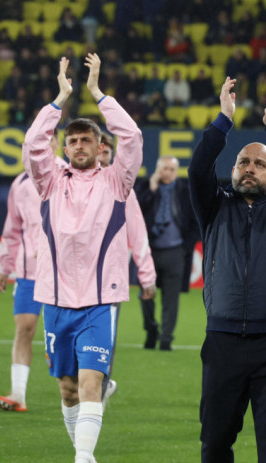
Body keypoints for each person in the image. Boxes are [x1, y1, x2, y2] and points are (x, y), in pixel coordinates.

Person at [22, 53, 142, 463]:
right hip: (54, 300)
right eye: (71, 141)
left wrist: (98, 95)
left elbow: (134, 137)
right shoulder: (49, 181)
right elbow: (33, 144)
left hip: (98, 301)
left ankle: (82, 458)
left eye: (85, 140)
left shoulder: (117, 181)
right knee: (68, 389)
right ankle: (82, 452)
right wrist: (59, 101)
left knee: (92, 382)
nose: (77, 146)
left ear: (100, 146)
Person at [189, 78, 266, 462]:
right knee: (215, 445)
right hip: (222, 342)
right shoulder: (214, 207)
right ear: (234, 170)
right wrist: (224, 119)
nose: (249, 169)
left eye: (260, 164)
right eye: (243, 162)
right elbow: (197, 170)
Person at [0, 131, 61, 413]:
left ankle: (81, 391)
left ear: (56, 144)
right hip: (28, 272)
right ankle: (18, 394)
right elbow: (12, 230)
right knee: (24, 329)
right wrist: (4, 267)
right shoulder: (20, 183)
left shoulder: (68, 175)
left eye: (48, 142)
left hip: (64, 273)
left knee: (63, 336)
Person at [96, 132, 157, 397]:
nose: (101, 157)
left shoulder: (120, 187)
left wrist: (147, 276)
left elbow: (138, 233)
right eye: (97, 150)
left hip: (108, 279)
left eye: (106, 153)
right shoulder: (68, 183)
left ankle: (98, 389)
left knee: (102, 343)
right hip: (70, 282)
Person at [135, 155, 198, 351]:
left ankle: (166, 338)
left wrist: (185, 248)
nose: (167, 173)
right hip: (150, 252)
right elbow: (136, 213)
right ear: (157, 169)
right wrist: (152, 189)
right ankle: (151, 328)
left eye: (171, 169)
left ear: (176, 171)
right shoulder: (146, 188)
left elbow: (196, 223)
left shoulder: (185, 192)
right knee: (146, 295)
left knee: (171, 299)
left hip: (175, 252)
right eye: (164, 169)